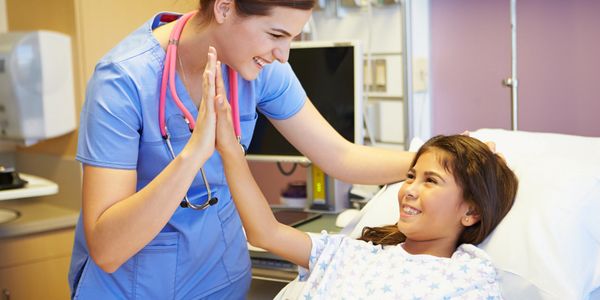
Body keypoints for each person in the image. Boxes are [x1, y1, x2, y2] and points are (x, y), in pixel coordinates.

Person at [68, 0, 414, 298]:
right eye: (276, 35)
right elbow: (107, 249)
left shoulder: (260, 70)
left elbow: (341, 156)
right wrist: (194, 154)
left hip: (219, 278)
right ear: (223, 7)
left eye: (293, 38)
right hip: (132, 287)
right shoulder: (123, 80)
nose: (283, 54)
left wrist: (441, 158)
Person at [215, 84, 518, 299]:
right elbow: (264, 233)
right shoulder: (351, 253)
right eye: (410, 177)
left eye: (430, 181)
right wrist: (229, 147)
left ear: (471, 211)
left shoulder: (468, 278)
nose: (409, 189)